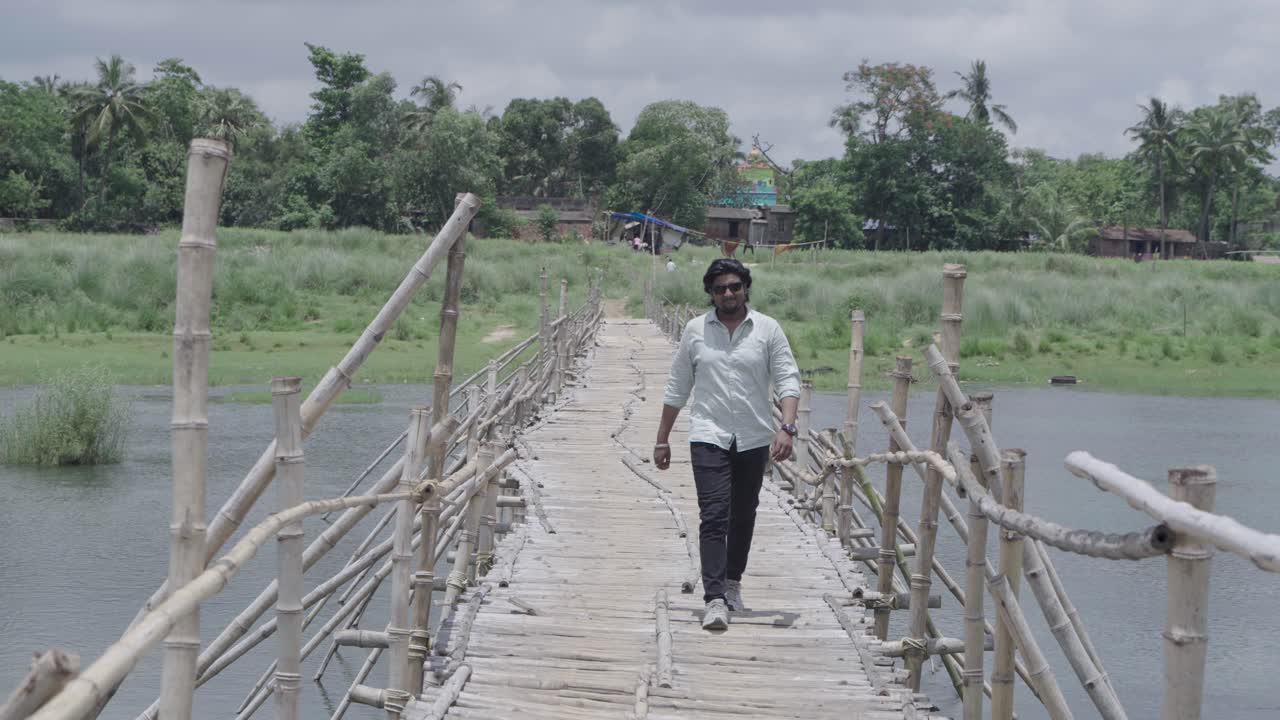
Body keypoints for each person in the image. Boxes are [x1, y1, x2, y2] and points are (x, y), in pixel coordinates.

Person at [654, 258, 801, 631]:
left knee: (744, 513)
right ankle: (715, 598)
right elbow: (677, 387)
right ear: (710, 294)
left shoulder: (768, 330)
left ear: (746, 288)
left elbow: (787, 379)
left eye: (734, 286)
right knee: (714, 515)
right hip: (709, 435)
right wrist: (662, 439)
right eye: (720, 289)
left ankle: (733, 582)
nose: (728, 293)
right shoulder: (695, 331)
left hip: (753, 438)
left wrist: (786, 427)